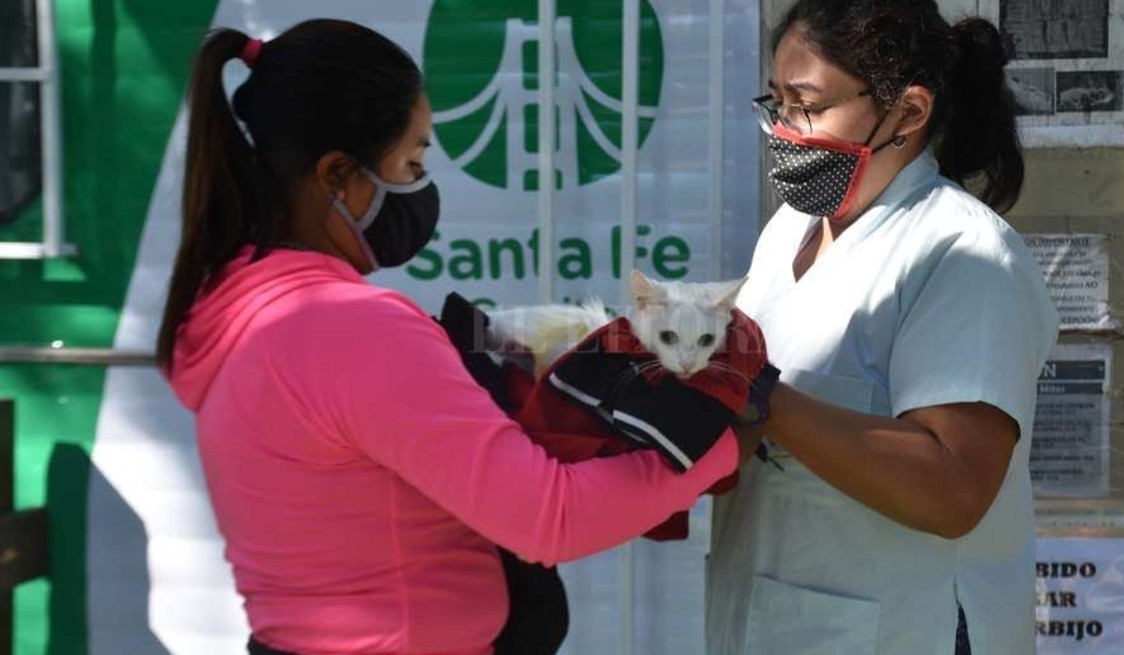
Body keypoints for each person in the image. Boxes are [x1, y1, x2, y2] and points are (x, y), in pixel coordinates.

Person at [155, 20, 753, 655]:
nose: (420, 185)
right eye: (412, 162)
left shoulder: (231, 307)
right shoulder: (346, 325)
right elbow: (548, 518)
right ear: (337, 176)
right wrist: (719, 442)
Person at [706, 2, 1059, 655]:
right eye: (776, 102)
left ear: (909, 111)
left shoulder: (964, 255)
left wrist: (760, 395)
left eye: (806, 104)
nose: (782, 129)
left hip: (907, 628)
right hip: (781, 615)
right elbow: (760, 424)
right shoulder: (790, 232)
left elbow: (954, 486)